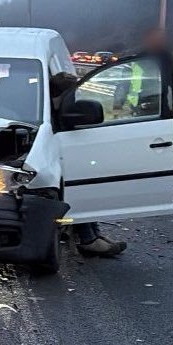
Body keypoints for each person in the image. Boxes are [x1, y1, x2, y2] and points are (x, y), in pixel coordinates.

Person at [48, 71, 126, 258]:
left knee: (84, 190)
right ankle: (89, 240)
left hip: (65, 160)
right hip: (54, 165)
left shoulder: (56, 108)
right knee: (77, 195)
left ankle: (94, 235)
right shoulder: (52, 112)